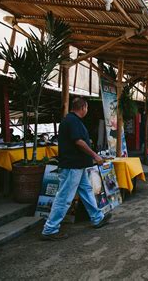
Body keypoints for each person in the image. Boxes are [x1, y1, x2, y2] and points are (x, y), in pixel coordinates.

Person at [42, 97, 111, 241]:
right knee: (64, 197)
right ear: (83, 107)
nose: (87, 110)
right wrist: (95, 155)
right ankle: (50, 229)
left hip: (78, 166)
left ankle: (97, 218)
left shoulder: (72, 120)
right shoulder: (72, 121)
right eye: (87, 108)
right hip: (72, 166)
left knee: (86, 191)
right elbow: (78, 141)